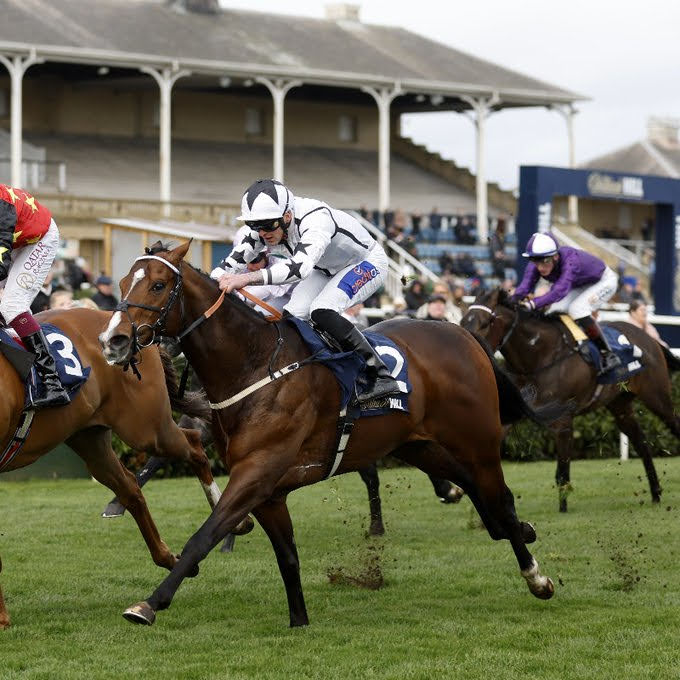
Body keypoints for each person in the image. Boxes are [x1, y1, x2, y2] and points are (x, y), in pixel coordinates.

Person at [212, 178, 400, 403]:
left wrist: (245, 279)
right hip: (324, 268)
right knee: (292, 316)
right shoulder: (266, 226)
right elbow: (229, 265)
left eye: (267, 225)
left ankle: (380, 373)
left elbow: (300, 269)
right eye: (255, 226)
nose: (262, 233)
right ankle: (315, 371)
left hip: (365, 262)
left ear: (287, 217)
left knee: (322, 310)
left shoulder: (316, 219)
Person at [0, 184, 71, 408]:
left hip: (39, 238)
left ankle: (52, 381)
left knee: (12, 306)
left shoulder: (2, 207)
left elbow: (1, 265)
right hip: (17, 237)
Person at [512, 232, 621, 375]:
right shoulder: (538, 264)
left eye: (544, 261)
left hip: (603, 281)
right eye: (535, 261)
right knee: (554, 310)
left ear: (555, 256)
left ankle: (607, 354)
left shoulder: (571, 261)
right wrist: (511, 301)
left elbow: (559, 291)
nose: (539, 267)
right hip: (579, 284)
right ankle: (573, 345)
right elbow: (524, 288)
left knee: (577, 309)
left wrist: (532, 304)